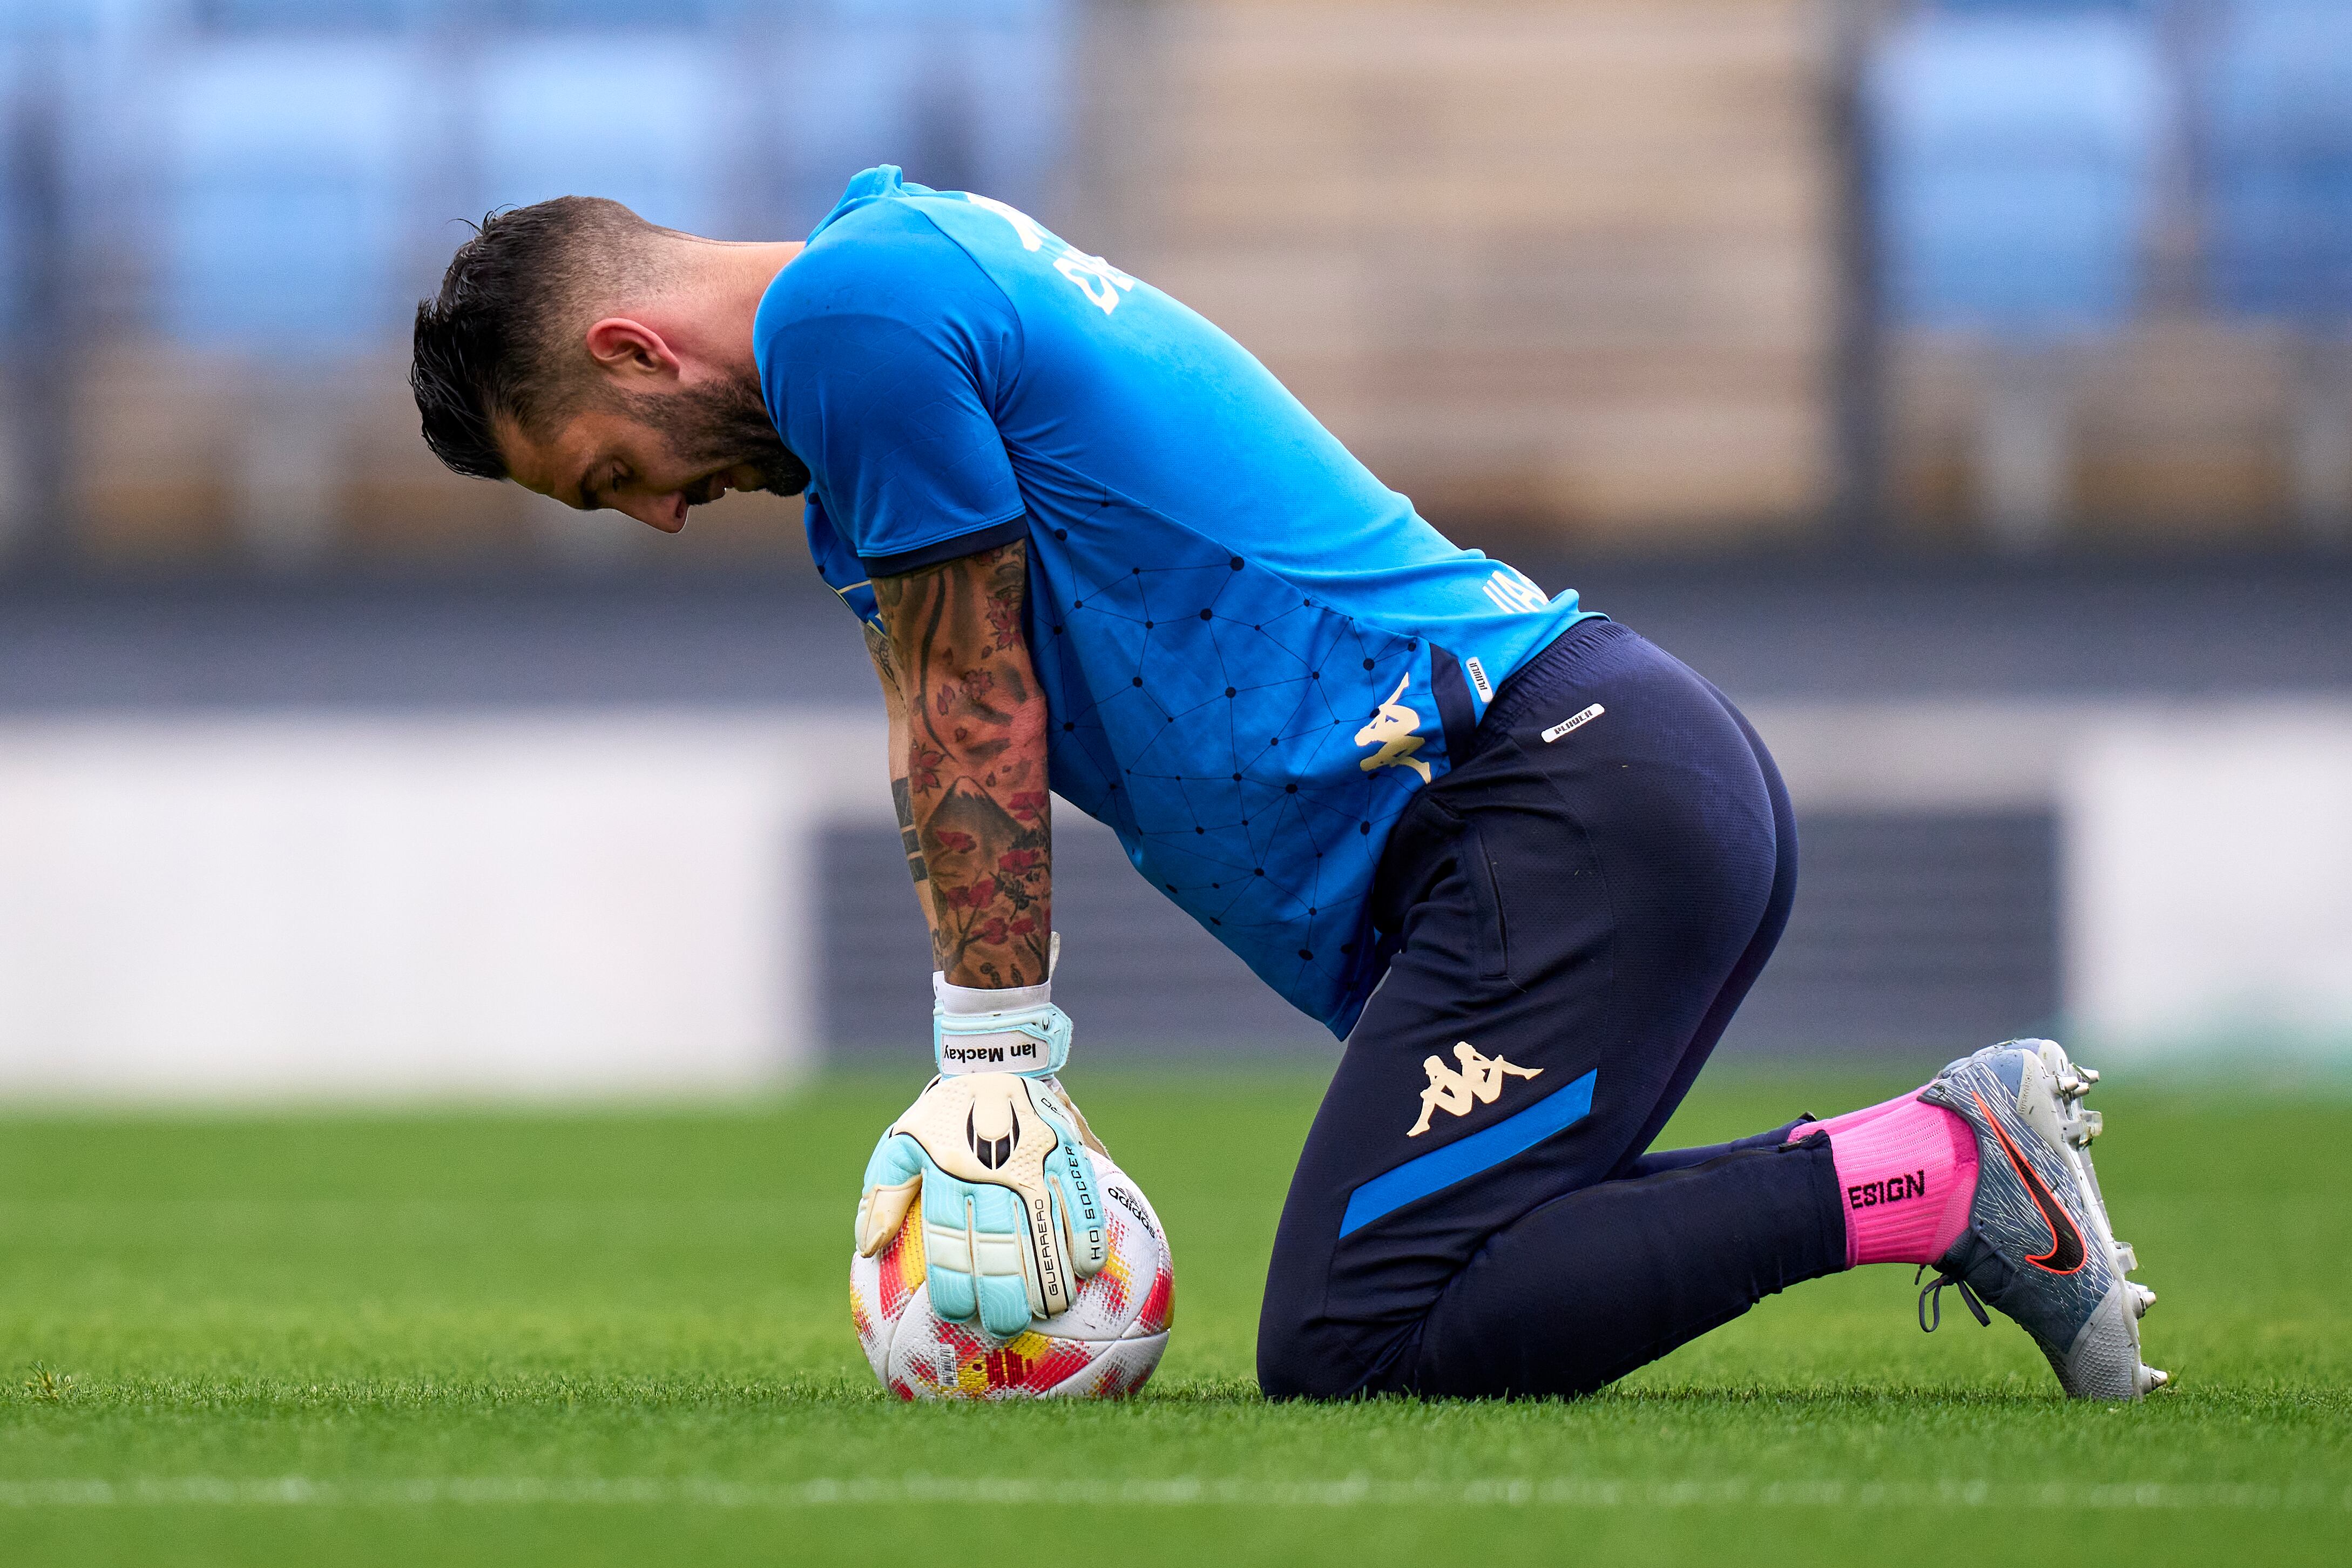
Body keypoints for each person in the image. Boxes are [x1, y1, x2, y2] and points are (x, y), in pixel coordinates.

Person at [409, 167, 2164, 1400]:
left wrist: (992, 1073)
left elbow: (969, 702)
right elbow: (943, 699)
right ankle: (1932, 1166)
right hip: (1573, 797)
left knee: (1360, 1341)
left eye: (601, 475)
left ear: (634, 353)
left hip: (1544, 803)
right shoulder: (882, 319)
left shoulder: (851, 321)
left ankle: (1941, 1161)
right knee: (1456, 1276)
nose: (647, 513)